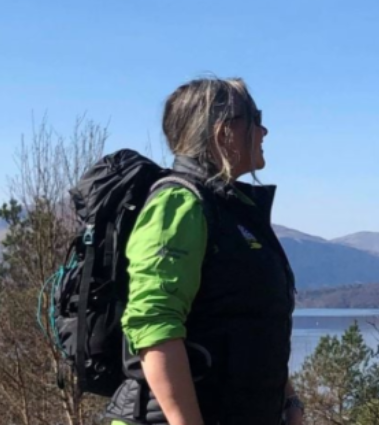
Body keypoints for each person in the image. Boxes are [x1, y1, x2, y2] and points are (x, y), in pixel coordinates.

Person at [104, 77, 301, 425]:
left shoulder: (232, 209)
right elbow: (154, 326)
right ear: (224, 131)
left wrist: (288, 401)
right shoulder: (178, 204)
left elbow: (254, 322)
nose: (264, 131)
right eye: (256, 118)